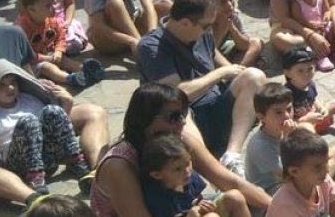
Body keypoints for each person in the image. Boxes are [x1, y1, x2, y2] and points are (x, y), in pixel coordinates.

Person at [90, 82, 271, 217]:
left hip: (182, 208)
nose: (183, 122)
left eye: (183, 114)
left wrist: (279, 207)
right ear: (146, 119)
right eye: (174, 116)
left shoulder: (178, 140)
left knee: (238, 199)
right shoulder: (120, 165)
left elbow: (229, 181)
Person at [136, 0, 266, 172]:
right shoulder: (151, 47)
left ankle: (231, 156)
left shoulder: (202, 33)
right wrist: (220, 74)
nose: (209, 29)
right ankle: (212, 169)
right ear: (185, 23)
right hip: (183, 120)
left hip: (216, 107)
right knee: (181, 111)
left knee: (254, 76)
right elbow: (176, 94)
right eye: (206, 25)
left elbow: (222, 64)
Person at [0, 61, 87, 191]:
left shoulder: (27, 99)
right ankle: (35, 179)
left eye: (13, 82)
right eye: (2, 85)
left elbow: (56, 125)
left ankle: (75, 161)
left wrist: (67, 102)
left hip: (45, 157)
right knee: (28, 121)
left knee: (53, 111)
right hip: (17, 166)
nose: (10, 88)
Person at [139, 133, 251, 217]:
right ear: (157, 175)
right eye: (177, 169)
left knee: (235, 197)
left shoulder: (188, 178)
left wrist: (202, 204)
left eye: (188, 163)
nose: (187, 171)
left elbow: (197, 199)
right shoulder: (157, 198)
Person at [267, 129, 335, 217]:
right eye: (318, 167)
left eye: (326, 162)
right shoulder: (286, 206)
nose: (326, 170)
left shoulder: (324, 182)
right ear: (295, 171)